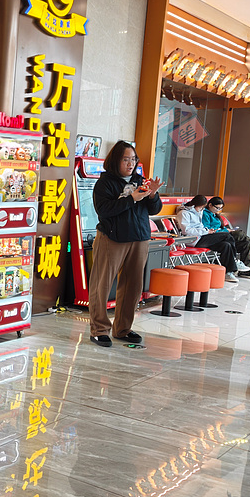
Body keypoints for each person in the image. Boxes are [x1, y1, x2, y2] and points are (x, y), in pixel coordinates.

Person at [88, 141, 163, 347]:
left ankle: (123, 328)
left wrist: (153, 194)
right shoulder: (105, 183)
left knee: (133, 285)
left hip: (139, 237)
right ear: (115, 161)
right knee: (102, 284)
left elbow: (154, 209)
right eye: (125, 159)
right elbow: (104, 210)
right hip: (112, 238)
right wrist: (131, 199)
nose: (131, 164)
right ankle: (99, 329)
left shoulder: (140, 181)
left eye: (133, 159)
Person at [176, 195, 244, 280]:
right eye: (201, 207)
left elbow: (200, 226)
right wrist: (205, 231)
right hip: (193, 240)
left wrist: (207, 230)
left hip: (203, 236)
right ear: (195, 205)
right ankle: (235, 261)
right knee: (226, 235)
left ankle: (228, 272)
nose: (201, 210)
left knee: (226, 245)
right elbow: (186, 230)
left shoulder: (198, 212)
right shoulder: (183, 213)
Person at [203, 196, 250, 270]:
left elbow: (220, 227)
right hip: (217, 236)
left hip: (223, 234)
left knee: (246, 244)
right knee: (239, 234)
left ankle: (247, 269)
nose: (218, 210)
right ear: (210, 205)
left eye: (220, 208)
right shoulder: (205, 214)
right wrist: (226, 231)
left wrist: (226, 230)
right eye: (217, 208)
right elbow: (209, 230)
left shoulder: (215, 215)